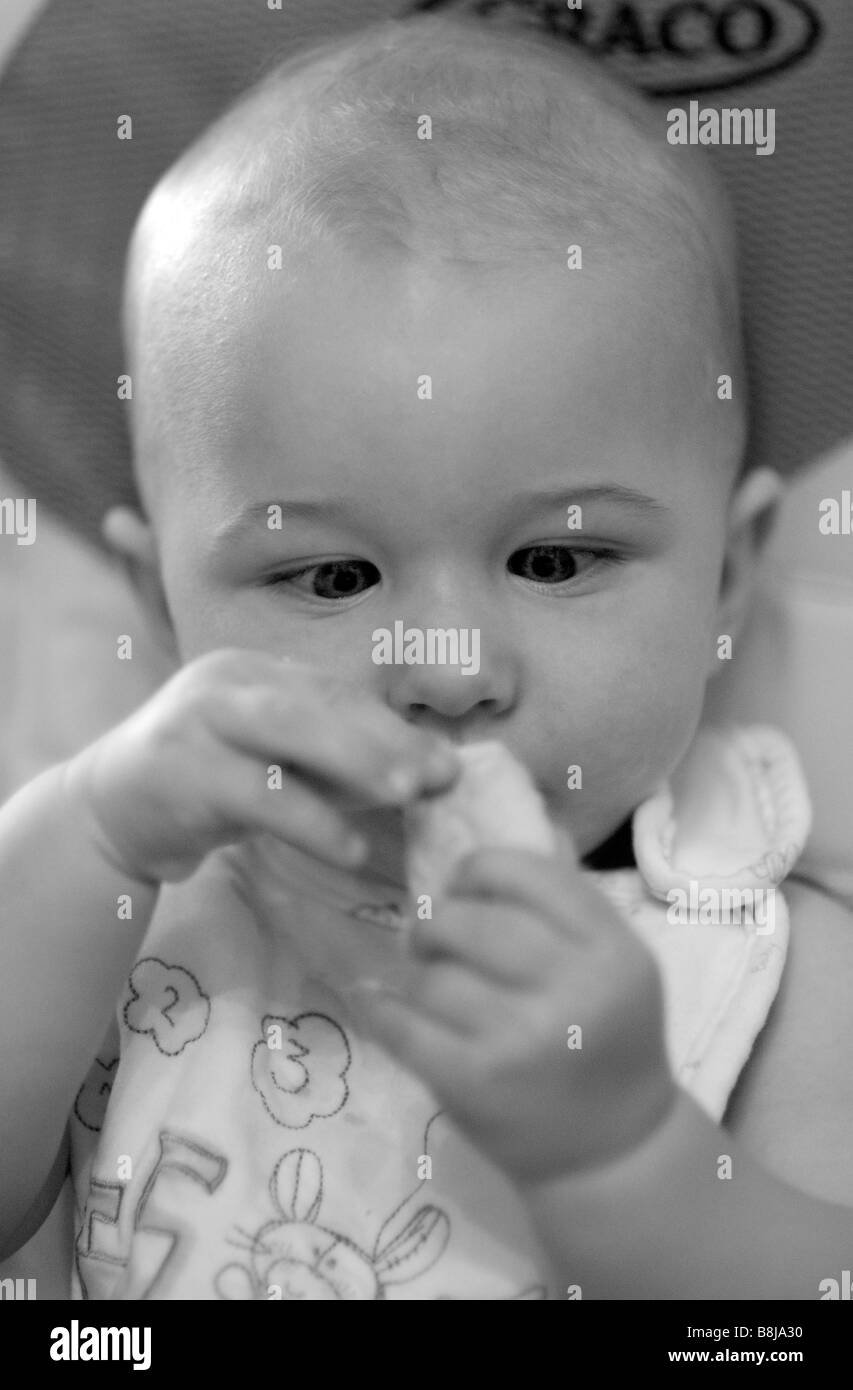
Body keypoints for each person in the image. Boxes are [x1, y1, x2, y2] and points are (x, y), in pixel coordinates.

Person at [1, 12, 851, 1300]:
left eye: (557, 561)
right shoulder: (118, 895)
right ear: (159, 603)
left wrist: (625, 1156)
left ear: (729, 574)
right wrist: (97, 840)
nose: (449, 669)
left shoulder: (766, 952)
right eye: (330, 577)